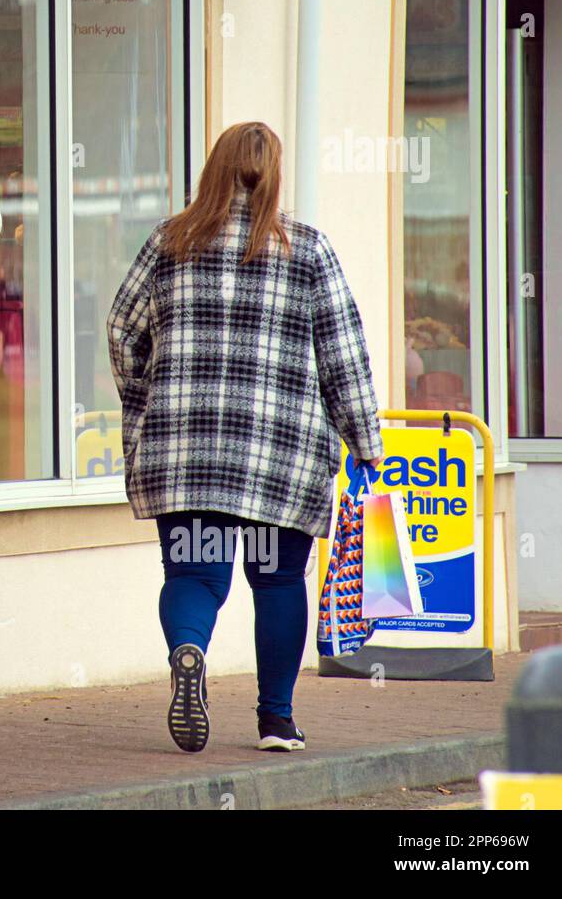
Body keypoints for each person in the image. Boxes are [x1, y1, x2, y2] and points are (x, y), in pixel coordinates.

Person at [107, 121, 383, 754]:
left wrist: (147, 399)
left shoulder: (167, 243)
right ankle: (276, 722)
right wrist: (365, 440)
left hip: (185, 452)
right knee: (278, 581)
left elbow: (123, 331)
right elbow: (344, 354)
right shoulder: (307, 249)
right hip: (278, 458)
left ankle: (187, 652)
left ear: (214, 170)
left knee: (195, 576)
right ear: (274, 176)